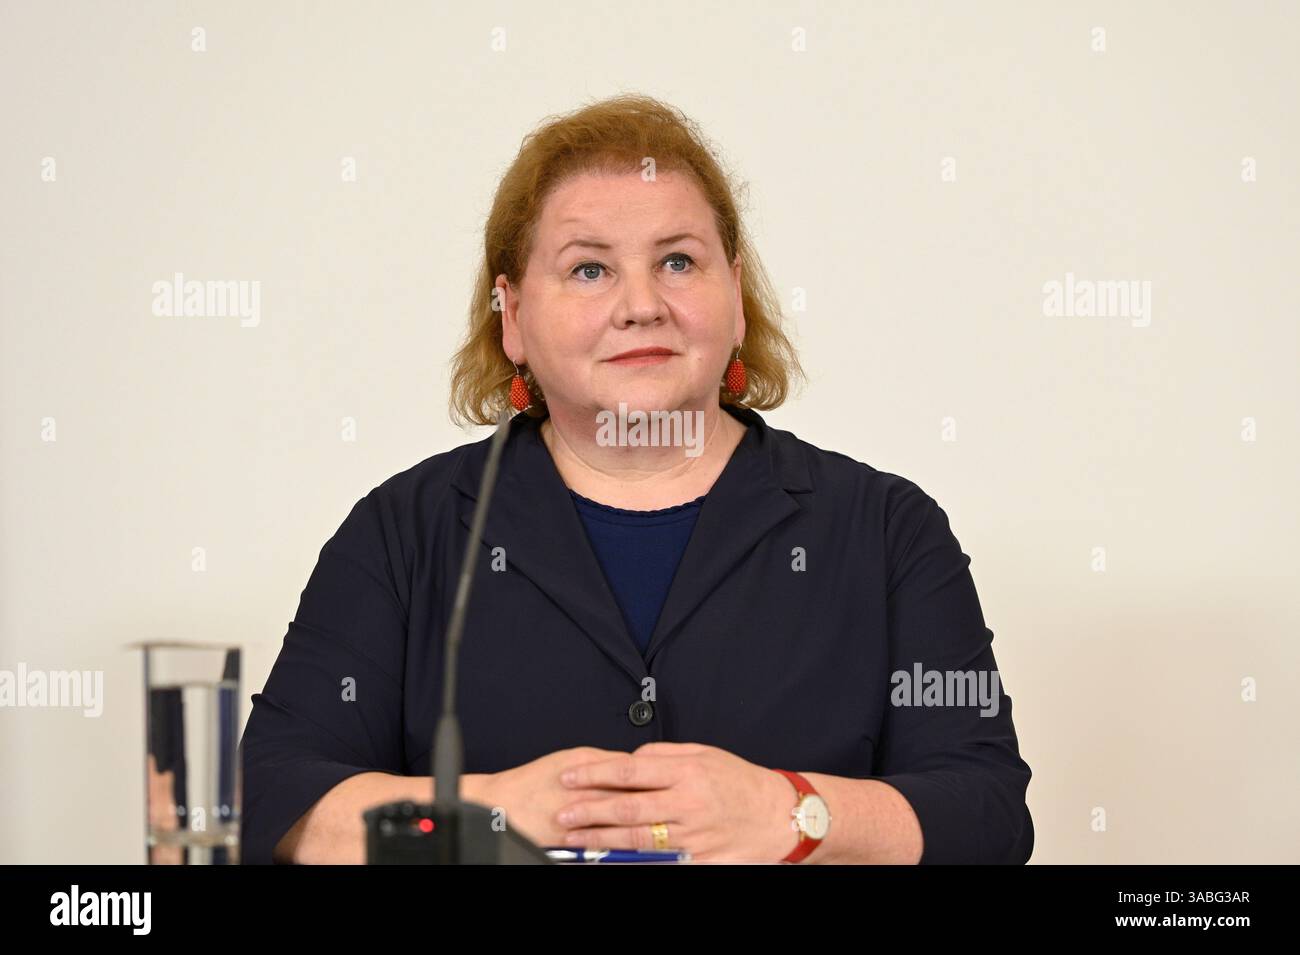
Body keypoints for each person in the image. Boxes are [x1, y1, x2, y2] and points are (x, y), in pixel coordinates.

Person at [239, 93, 1033, 864]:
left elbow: (987, 809)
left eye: (679, 261)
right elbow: (269, 798)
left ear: (736, 299)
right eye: (589, 269)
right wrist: (485, 815)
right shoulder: (400, 532)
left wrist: (793, 812)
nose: (641, 305)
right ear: (512, 317)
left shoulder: (888, 529)